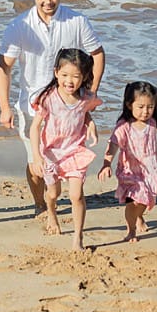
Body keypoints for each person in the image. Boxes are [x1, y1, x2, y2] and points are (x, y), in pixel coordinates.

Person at [0, 0, 105, 216]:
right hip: (32, 104)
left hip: (70, 104)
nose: (48, 2)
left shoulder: (77, 21)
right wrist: (4, 107)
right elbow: (4, 68)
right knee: (36, 163)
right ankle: (40, 204)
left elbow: (97, 54)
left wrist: (90, 93)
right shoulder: (18, 26)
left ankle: (63, 197)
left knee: (68, 156)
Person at [28, 48, 101, 250]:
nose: (70, 81)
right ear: (56, 72)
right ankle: (52, 214)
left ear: (85, 77)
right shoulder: (48, 98)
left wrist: (91, 125)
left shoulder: (86, 97)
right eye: (65, 75)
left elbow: (85, 113)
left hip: (75, 151)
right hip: (51, 154)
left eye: (76, 76)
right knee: (53, 194)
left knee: (76, 195)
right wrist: (36, 156)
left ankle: (78, 237)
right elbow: (34, 128)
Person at [97, 81, 157, 243]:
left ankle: (138, 216)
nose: (145, 111)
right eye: (140, 107)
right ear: (129, 104)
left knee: (147, 199)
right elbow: (113, 144)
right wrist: (106, 163)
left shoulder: (152, 122)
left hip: (149, 171)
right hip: (130, 171)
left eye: (150, 107)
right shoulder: (124, 125)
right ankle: (131, 230)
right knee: (136, 200)